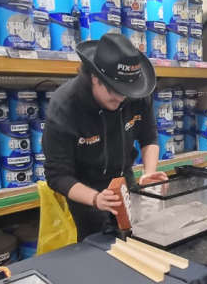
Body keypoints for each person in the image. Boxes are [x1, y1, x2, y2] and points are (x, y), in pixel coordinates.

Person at [43, 33, 168, 241]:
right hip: (86, 192)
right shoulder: (64, 107)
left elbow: (149, 137)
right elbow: (57, 176)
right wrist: (96, 199)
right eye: (113, 91)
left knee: (135, 241)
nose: (120, 98)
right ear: (95, 77)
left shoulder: (135, 94)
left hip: (125, 181)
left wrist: (149, 174)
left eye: (126, 92)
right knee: (96, 250)